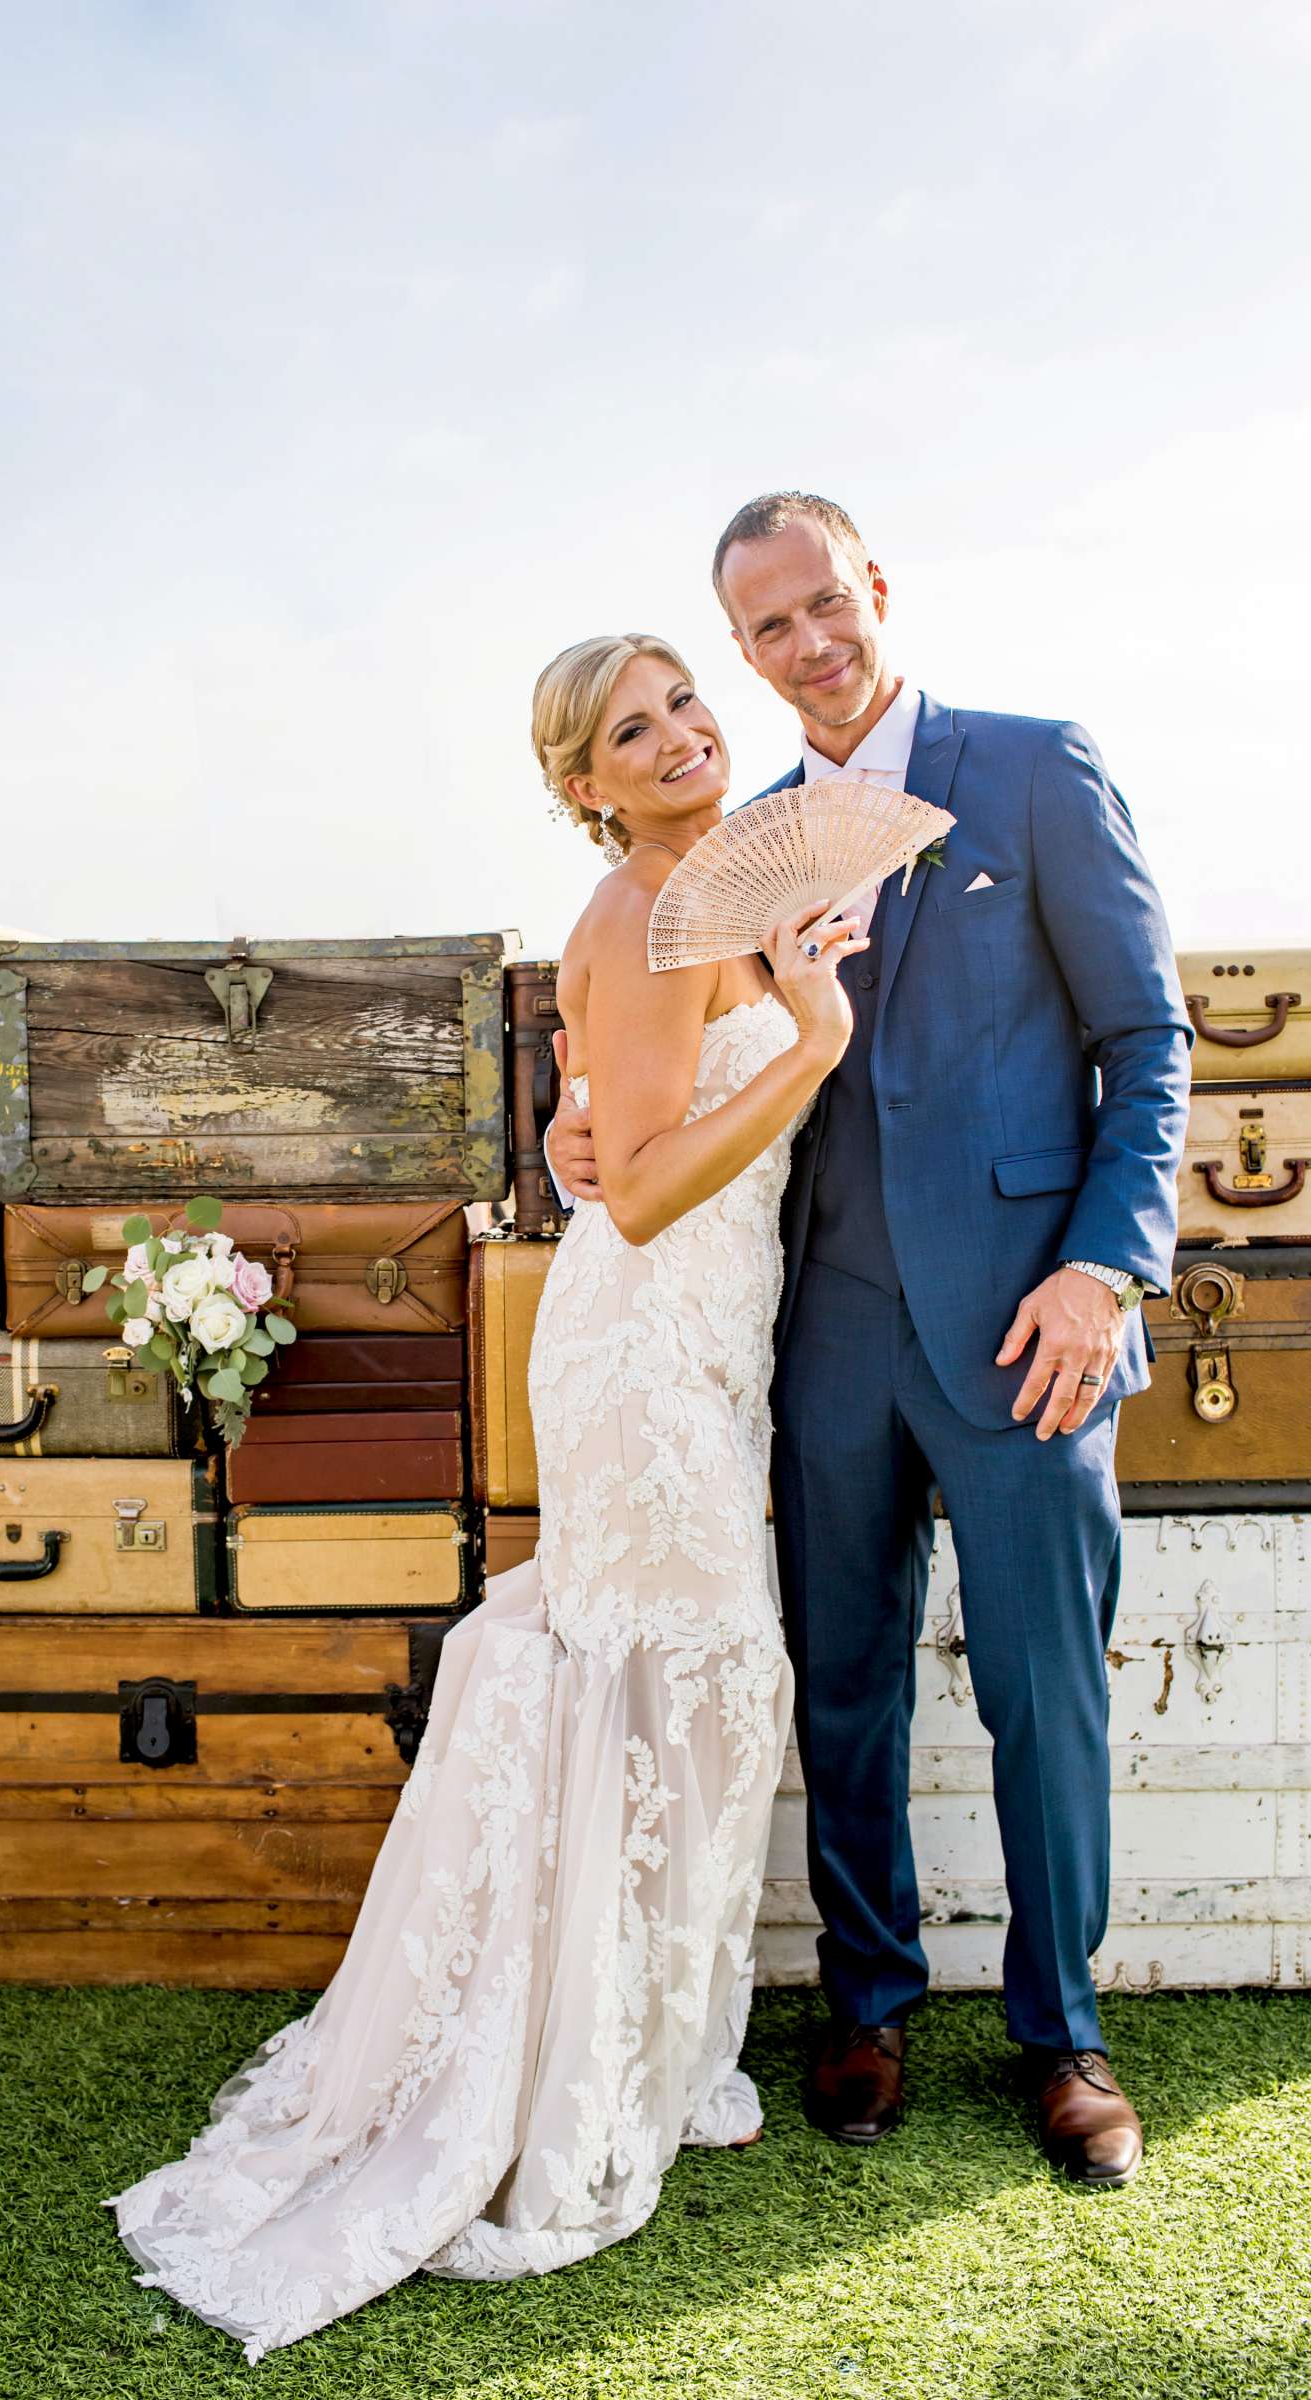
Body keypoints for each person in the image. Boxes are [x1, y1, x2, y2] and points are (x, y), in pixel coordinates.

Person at [108, 632, 859, 2359]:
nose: (678, 738)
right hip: (644, 1359)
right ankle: (558, 2083)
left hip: (707, 1353)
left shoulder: (729, 891)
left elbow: (610, 1128)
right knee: (663, 1688)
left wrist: (591, 1116)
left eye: (684, 705)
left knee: (684, 1698)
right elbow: (653, 1195)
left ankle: (649, 2060)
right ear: (578, 787)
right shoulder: (650, 913)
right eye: (629, 730)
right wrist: (812, 1040)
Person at [547, 494, 1191, 2187]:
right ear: (746, 656)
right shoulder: (734, 837)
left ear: (875, 589)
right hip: (819, 1325)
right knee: (841, 1682)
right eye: (768, 630)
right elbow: (650, 1051)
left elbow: (1149, 1041)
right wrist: (573, 1129)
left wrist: (1105, 1272)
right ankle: (869, 1998)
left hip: (1024, 1323)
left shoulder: (1036, 766)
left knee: (1048, 1686)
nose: (807, 646)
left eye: (825, 605)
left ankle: (1063, 2035)